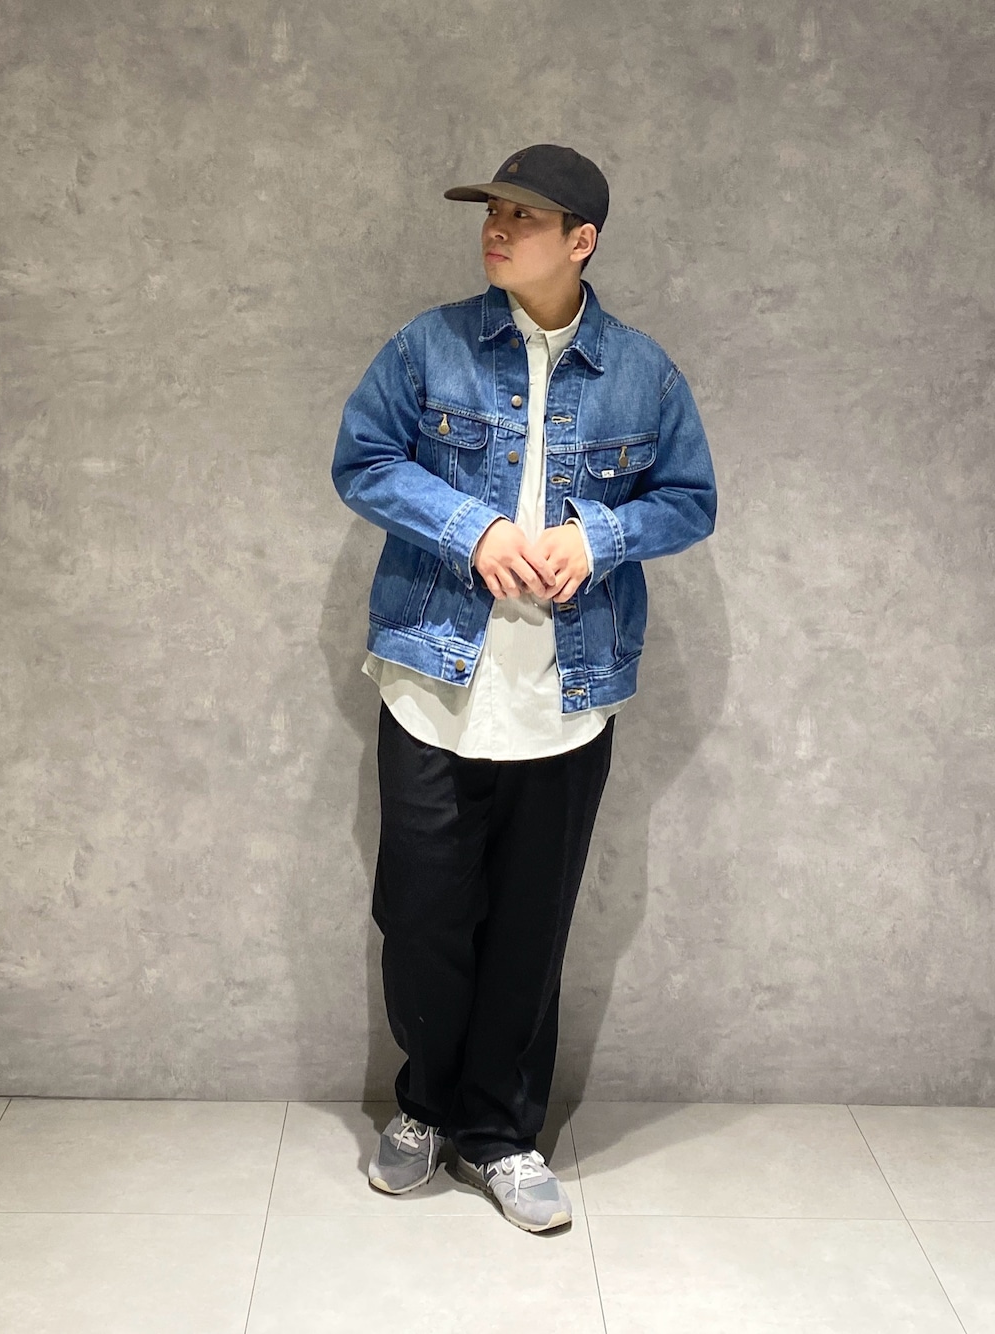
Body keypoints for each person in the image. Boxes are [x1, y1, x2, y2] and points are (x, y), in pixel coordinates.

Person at [332, 143, 717, 1233]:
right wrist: (474, 525)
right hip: (432, 681)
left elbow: (688, 499)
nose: (495, 230)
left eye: (523, 217)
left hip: (566, 696)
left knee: (528, 929)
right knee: (421, 916)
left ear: (581, 241)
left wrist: (599, 536)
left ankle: (500, 1134)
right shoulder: (429, 344)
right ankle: (424, 1106)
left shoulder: (643, 372)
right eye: (491, 212)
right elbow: (363, 459)